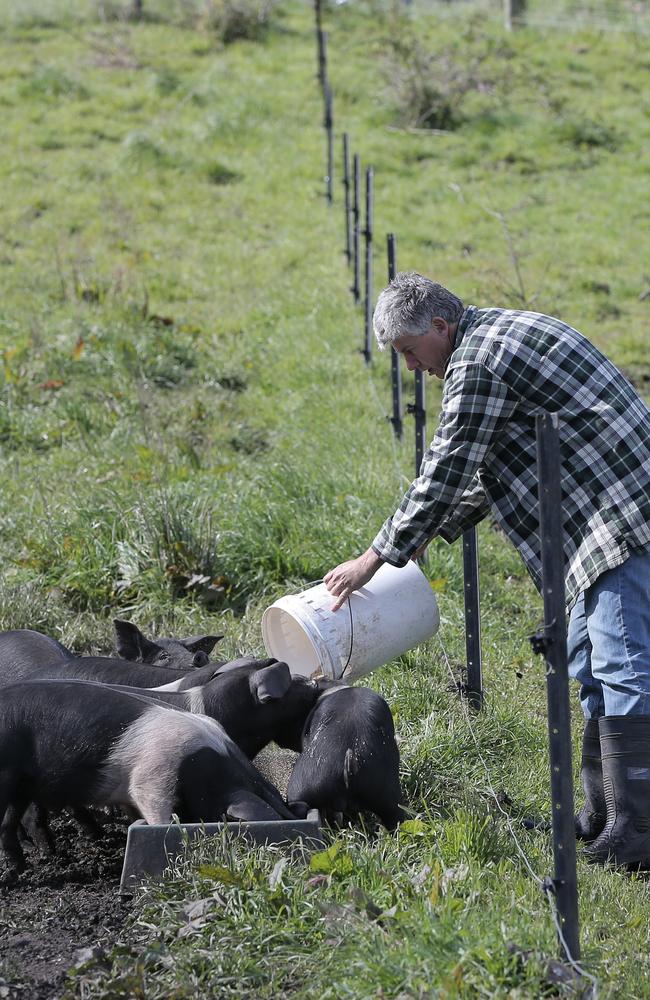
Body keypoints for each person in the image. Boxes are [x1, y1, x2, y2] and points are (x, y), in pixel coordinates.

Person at [324, 271, 650, 868]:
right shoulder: (493, 337)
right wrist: (425, 533)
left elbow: (448, 463)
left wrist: (376, 557)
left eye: (408, 352)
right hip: (598, 511)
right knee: (587, 662)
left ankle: (640, 828)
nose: (412, 368)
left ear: (440, 328)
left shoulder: (478, 364)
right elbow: (490, 463)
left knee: (623, 663)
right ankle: (603, 815)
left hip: (622, 513)